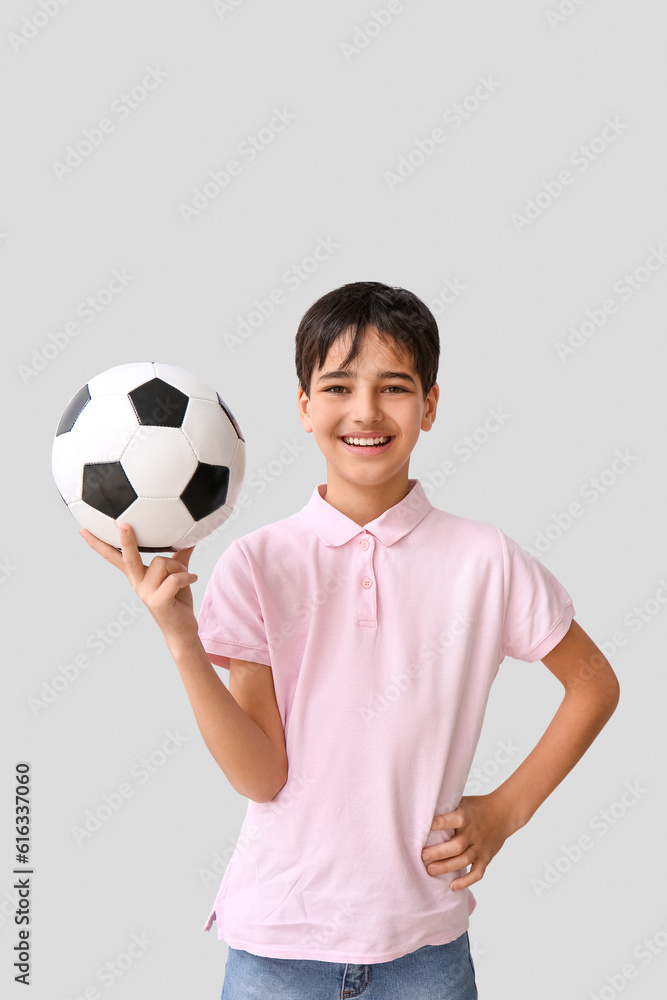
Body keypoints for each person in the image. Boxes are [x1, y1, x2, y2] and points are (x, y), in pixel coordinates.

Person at [80, 281, 620, 999]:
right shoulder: (257, 562)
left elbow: (593, 684)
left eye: (393, 387)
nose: (365, 411)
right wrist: (180, 636)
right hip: (274, 948)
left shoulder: (484, 559)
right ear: (304, 406)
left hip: (425, 947)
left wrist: (505, 811)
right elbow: (260, 776)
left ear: (429, 404)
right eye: (337, 386)